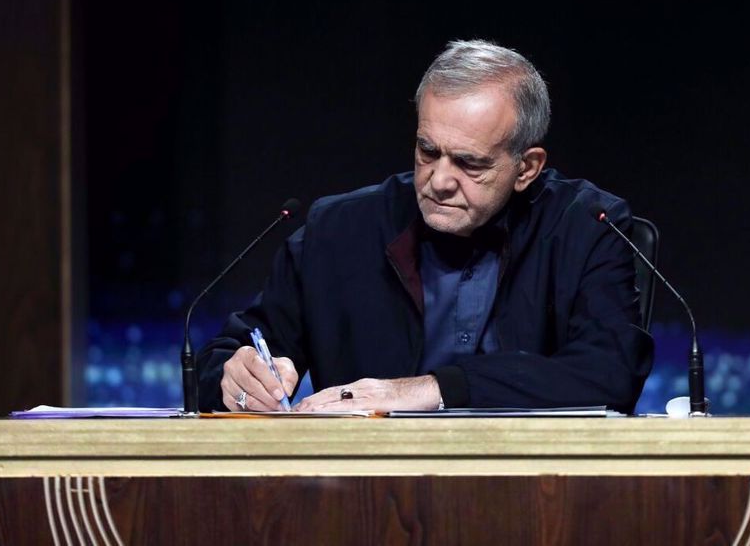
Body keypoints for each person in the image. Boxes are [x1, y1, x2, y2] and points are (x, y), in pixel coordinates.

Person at [197, 40, 653, 414]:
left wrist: (432, 389)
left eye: (469, 163)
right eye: (427, 151)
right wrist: (236, 379)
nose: (438, 181)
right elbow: (218, 362)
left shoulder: (587, 226)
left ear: (527, 168)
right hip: (366, 497)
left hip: (537, 495)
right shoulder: (338, 230)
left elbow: (610, 371)